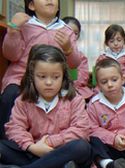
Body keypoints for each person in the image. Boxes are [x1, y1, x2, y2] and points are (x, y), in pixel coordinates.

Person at [0, 44, 91, 168]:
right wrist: (31, 146)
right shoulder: (23, 100)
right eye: (42, 77)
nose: (49, 82)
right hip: (33, 152)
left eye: (55, 77)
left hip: (62, 151)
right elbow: (14, 128)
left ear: (64, 76)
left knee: (82, 147)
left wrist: (50, 142)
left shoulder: (74, 99)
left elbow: (81, 130)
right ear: (32, 76)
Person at [0, 0, 82, 139]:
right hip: (21, 78)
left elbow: (74, 64)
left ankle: (57, 141)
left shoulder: (66, 31)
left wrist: (68, 49)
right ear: (31, 5)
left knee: (73, 97)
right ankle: (8, 142)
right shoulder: (24, 26)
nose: (50, 0)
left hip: (55, 81)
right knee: (10, 95)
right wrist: (13, 30)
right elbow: (11, 55)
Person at [96, 24, 125, 92]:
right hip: (108, 83)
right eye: (112, 41)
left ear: (124, 40)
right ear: (107, 42)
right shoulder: (103, 57)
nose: (115, 43)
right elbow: (98, 71)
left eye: (119, 40)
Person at [62, 16, 94, 101]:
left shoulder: (81, 57)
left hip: (77, 90)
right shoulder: (53, 54)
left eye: (75, 33)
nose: (72, 35)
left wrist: (70, 84)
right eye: (68, 32)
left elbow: (83, 77)